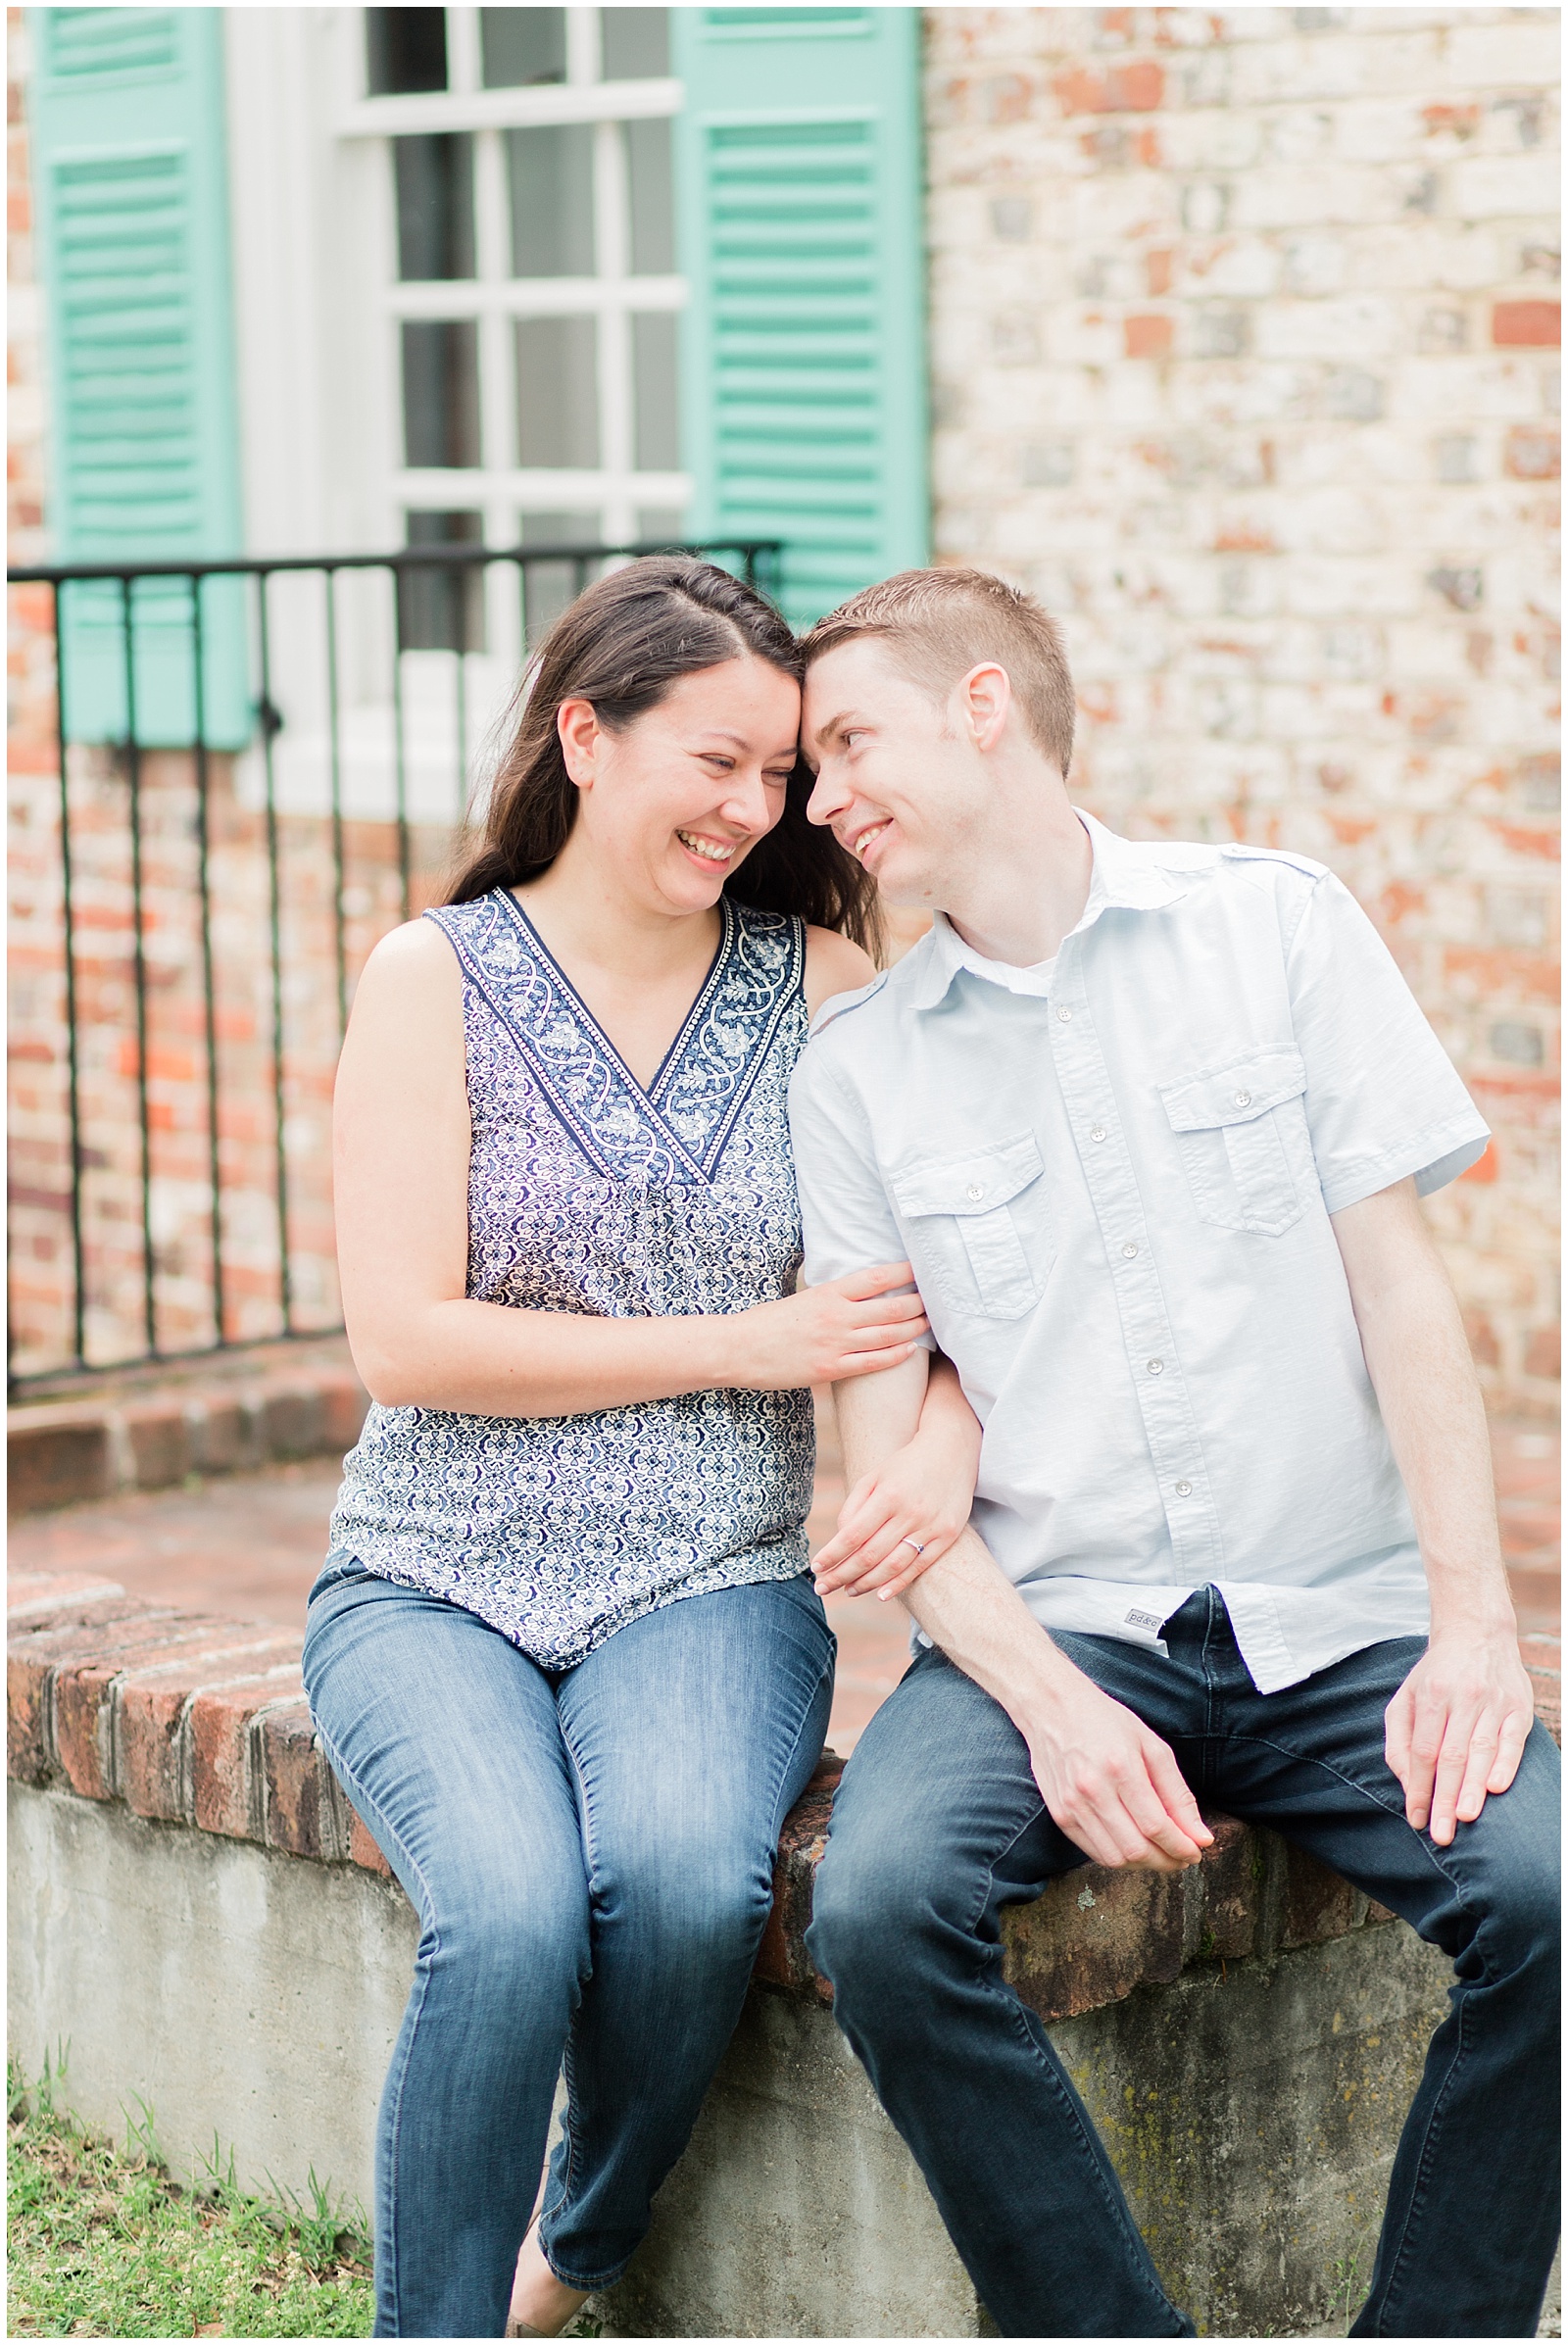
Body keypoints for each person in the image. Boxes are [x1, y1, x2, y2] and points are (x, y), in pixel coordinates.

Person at [786, 566, 1560, 2339]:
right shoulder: (856, 1078)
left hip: (1338, 1618)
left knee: (1556, 1907)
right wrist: (1055, 1707)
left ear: (986, 704)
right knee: (887, 1909)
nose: (821, 799)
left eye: (850, 743)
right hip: (1043, 1625)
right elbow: (888, 1464)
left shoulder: (1276, 927)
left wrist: (1474, 1620)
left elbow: (1404, 1295)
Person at [303, 558, 983, 2339]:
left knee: (685, 1887)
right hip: (431, 1577)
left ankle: (576, 2252)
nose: (757, 810)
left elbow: (973, 1266)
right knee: (512, 1919)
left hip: (716, 1575)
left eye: (779, 775)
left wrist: (940, 1433)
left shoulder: (826, 980)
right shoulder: (431, 976)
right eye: (720, 763)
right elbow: (407, 1340)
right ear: (584, 734)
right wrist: (744, 1344)